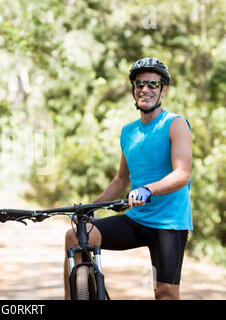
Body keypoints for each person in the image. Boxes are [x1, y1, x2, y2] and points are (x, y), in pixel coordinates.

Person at [64, 58, 193, 300]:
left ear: (163, 89)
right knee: (75, 236)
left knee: (165, 293)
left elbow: (182, 174)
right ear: (134, 90)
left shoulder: (175, 124)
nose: (145, 89)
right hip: (135, 220)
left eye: (153, 84)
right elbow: (120, 180)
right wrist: (90, 208)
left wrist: (148, 189)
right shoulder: (128, 132)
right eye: (140, 84)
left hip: (169, 223)